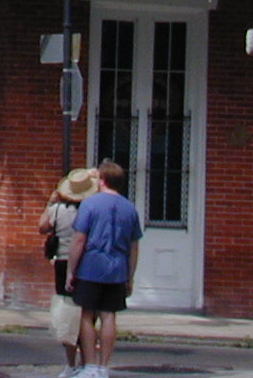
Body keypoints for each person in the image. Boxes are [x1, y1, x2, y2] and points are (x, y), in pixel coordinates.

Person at [66, 158, 142, 378]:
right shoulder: (130, 209)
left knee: (87, 315)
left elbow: (79, 240)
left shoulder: (90, 204)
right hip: (117, 269)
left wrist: (71, 270)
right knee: (109, 316)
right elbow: (134, 247)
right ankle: (103, 367)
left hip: (91, 266)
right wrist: (130, 276)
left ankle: (89, 365)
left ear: (102, 180)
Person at [39, 167, 98, 378]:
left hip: (63, 264)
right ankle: (87, 363)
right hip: (88, 263)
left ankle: (70, 364)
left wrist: (50, 203)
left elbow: (42, 227)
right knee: (87, 316)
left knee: (67, 316)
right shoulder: (92, 212)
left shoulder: (57, 210)